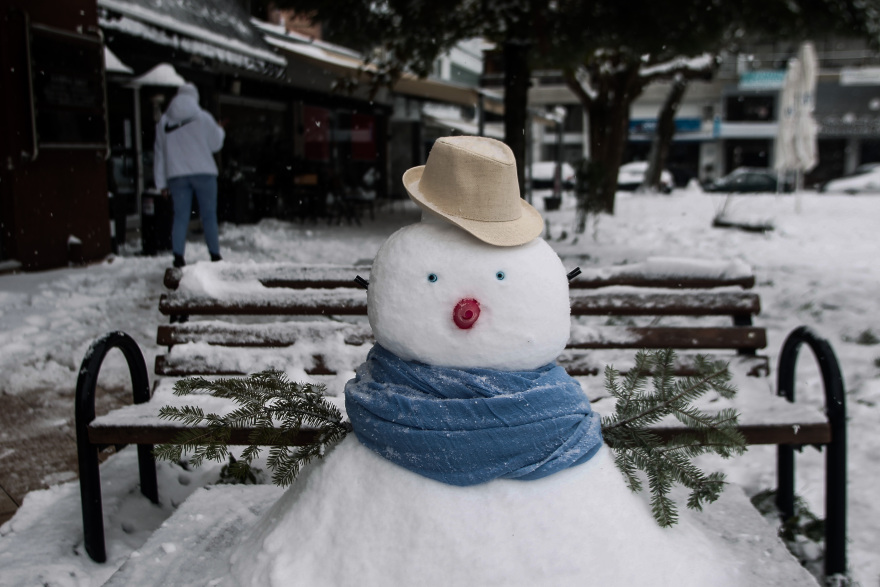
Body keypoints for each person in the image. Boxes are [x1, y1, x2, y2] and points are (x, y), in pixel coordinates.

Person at [153, 83, 225, 267]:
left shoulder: (164, 122)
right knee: (209, 215)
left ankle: (178, 257)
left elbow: (159, 154)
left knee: (180, 216)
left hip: (177, 174)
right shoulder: (203, 117)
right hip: (204, 172)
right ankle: (215, 256)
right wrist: (220, 130)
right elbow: (216, 144)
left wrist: (161, 183)